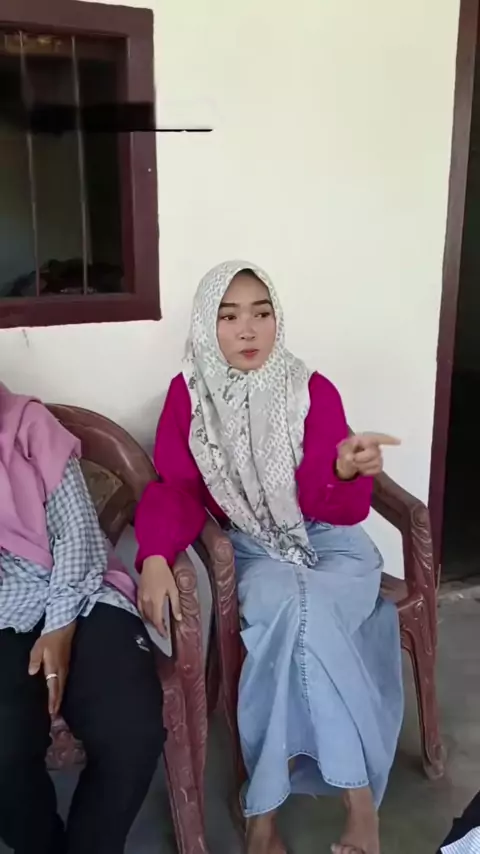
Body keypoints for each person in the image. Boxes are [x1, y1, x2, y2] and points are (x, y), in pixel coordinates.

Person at [135, 260, 404, 854]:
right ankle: (359, 800)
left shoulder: (310, 389)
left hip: (329, 545)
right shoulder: (189, 397)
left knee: (297, 615)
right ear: (207, 326)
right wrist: (154, 554)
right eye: (229, 317)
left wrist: (342, 470)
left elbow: (338, 510)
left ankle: (264, 811)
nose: (248, 330)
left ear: (277, 318)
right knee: (298, 611)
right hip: (253, 547)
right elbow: (176, 489)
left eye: (262, 313)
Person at [0, 386, 165, 854]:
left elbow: (77, 534)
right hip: (4, 611)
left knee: (132, 731)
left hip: (83, 592)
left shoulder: (29, 425)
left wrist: (59, 626)